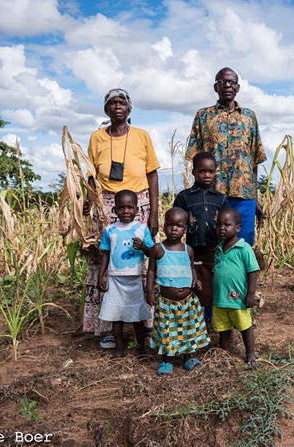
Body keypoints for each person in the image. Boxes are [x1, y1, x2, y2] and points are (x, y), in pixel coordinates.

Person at [83, 88, 160, 350]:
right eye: (112, 103)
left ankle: (145, 323)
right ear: (106, 110)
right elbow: (92, 176)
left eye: (122, 102)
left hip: (139, 203)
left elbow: (152, 175)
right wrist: (87, 200)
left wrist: (155, 214)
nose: (118, 106)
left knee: (141, 261)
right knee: (103, 261)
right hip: (105, 204)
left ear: (129, 109)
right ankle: (106, 326)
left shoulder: (142, 136)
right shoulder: (96, 138)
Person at [186, 67, 267, 247]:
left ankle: (241, 277)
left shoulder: (249, 117)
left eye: (232, 82)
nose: (227, 85)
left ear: (238, 88)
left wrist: (255, 198)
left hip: (244, 196)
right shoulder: (203, 115)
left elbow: (254, 159)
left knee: (243, 245)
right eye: (223, 81)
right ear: (216, 87)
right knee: (212, 245)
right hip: (212, 192)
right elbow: (196, 156)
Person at [147, 208, 210, 375]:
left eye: (179, 225)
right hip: (167, 302)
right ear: (164, 226)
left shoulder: (187, 249)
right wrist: (150, 292)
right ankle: (166, 361)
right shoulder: (158, 249)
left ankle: (188, 358)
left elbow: (191, 268)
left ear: (185, 229)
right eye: (170, 225)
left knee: (188, 329)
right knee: (167, 330)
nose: (174, 229)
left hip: (187, 301)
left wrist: (195, 281)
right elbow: (151, 271)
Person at [97, 190, 154, 359]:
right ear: (115, 210)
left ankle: (141, 347)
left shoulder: (142, 229)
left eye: (130, 207)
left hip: (134, 278)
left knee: (137, 316)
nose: (126, 211)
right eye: (121, 208)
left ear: (137, 210)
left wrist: (143, 247)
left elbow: (152, 253)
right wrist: (101, 275)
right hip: (115, 279)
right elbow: (106, 254)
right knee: (116, 316)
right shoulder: (110, 230)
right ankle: (119, 349)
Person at [173, 151, 229, 323]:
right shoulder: (184, 197)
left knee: (214, 282)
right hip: (193, 250)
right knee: (196, 283)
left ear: (215, 173)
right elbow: (177, 219)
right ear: (194, 172)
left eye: (211, 171)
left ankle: (213, 319)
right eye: (202, 171)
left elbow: (226, 222)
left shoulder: (220, 199)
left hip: (215, 249)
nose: (207, 175)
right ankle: (196, 320)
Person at [212, 208, 260, 365]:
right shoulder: (219, 248)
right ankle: (224, 353)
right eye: (219, 225)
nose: (222, 228)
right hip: (220, 298)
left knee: (245, 326)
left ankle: (250, 354)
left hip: (237, 297)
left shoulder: (243, 248)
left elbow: (252, 270)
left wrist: (251, 294)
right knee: (223, 328)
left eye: (227, 224)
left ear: (237, 228)